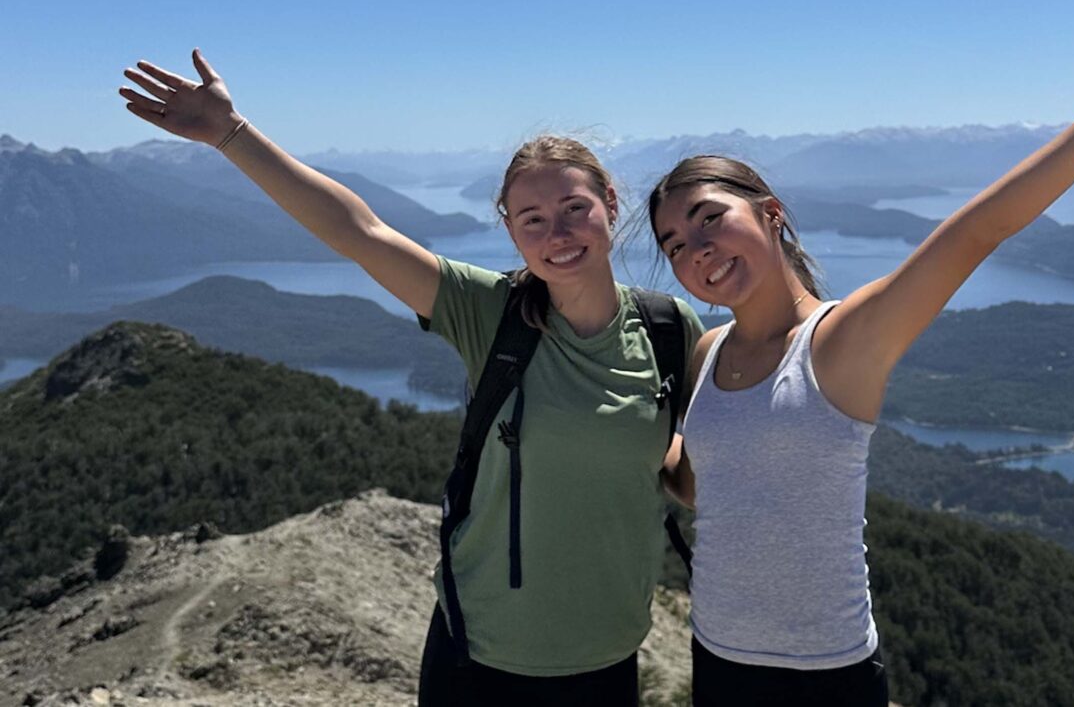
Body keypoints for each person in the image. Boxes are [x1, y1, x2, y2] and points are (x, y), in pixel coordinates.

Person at [647, 24, 1074, 706]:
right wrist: (627, 428)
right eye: (675, 243)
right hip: (717, 657)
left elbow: (976, 231)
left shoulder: (841, 339)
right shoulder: (708, 353)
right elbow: (702, 485)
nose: (696, 250)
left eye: (710, 219)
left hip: (824, 677)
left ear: (771, 214)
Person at [119, 52, 703, 705]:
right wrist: (231, 133)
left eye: (574, 207)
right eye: (532, 218)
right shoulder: (490, 314)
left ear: (610, 203)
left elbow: (681, 460)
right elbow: (359, 232)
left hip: (608, 654)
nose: (557, 233)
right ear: (510, 230)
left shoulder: (668, 328)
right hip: (481, 656)